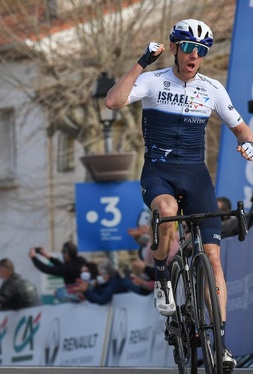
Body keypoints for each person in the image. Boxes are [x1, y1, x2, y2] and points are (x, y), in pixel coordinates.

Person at [105, 18, 253, 370]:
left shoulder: (212, 89)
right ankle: (161, 273)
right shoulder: (153, 81)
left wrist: (248, 145)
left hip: (196, 176)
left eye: (201, 51)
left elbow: (242, 129)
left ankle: (221, 342)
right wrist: (142, 61)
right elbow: (113, 101)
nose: (195, 56)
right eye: (189, 48)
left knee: (214, 259)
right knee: (167, 209)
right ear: (175, 48)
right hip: (158, 172)